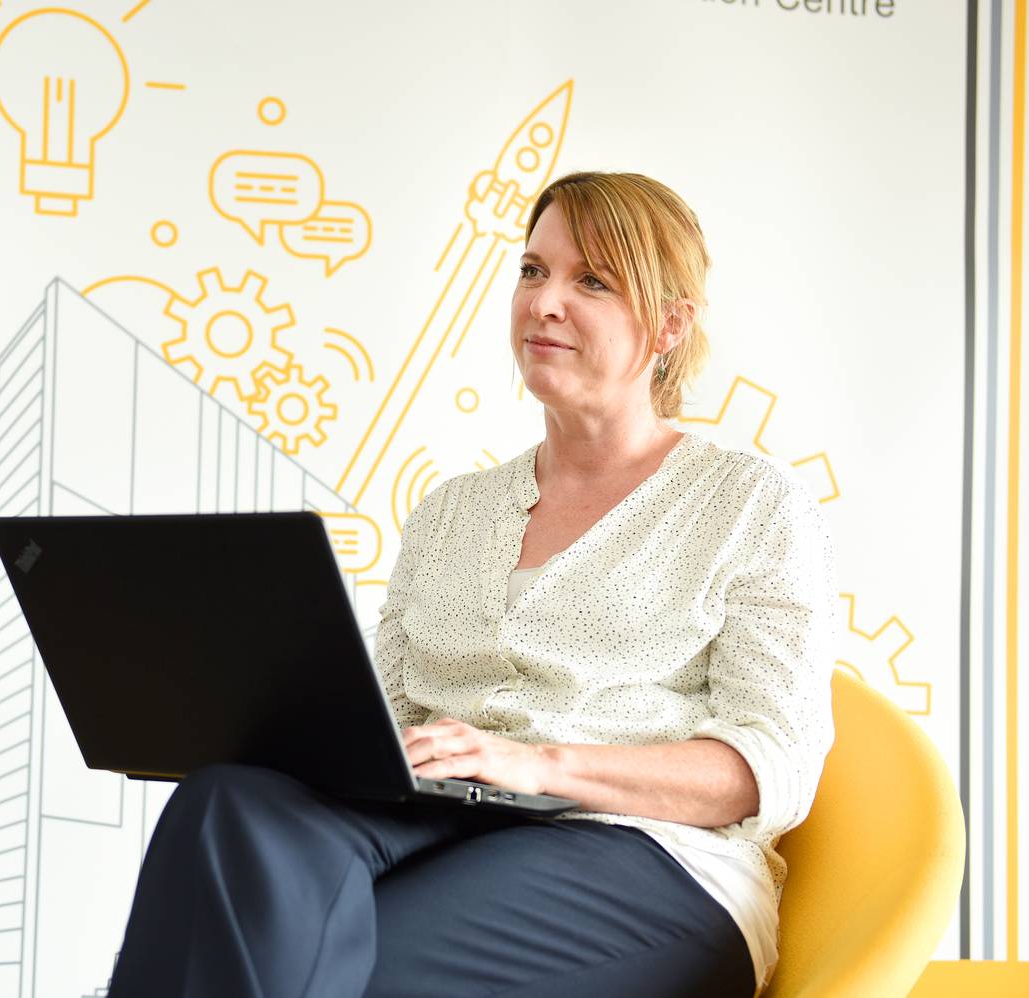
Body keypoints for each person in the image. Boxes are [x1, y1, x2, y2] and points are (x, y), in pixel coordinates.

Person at [108, 171, 838, 997]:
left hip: (651, 857)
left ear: (670, 324)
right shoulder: (452, 511)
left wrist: (539, 764)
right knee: (226, 804)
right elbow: (388, 718)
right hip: (446, 817)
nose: (544, 303)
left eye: (591, 281)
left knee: (332, 966)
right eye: (533, 271)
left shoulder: (748, 502)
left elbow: (768, 770)